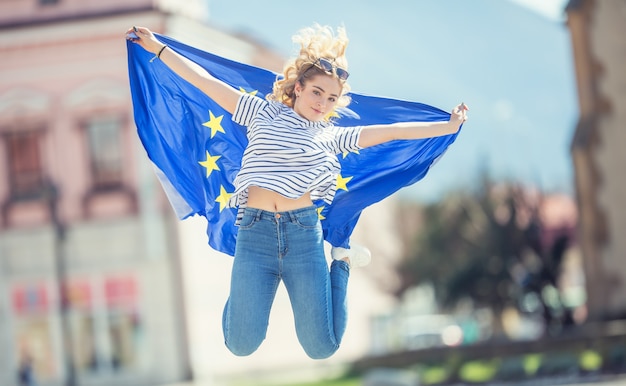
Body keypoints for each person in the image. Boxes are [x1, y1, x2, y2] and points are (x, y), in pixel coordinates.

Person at [126, 24, 468, 359]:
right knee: (240, 344)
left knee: (322, 347)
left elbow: (391, 132)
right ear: (299, 87)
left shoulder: (332, 136)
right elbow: (204, 81)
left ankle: (343, 262)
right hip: (254, 236)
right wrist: (157, 47)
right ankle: (243, 287)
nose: (322, 103)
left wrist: (448, 125)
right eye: (317, 92)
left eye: (331, 98)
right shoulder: (261, 112)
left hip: (303, 238)